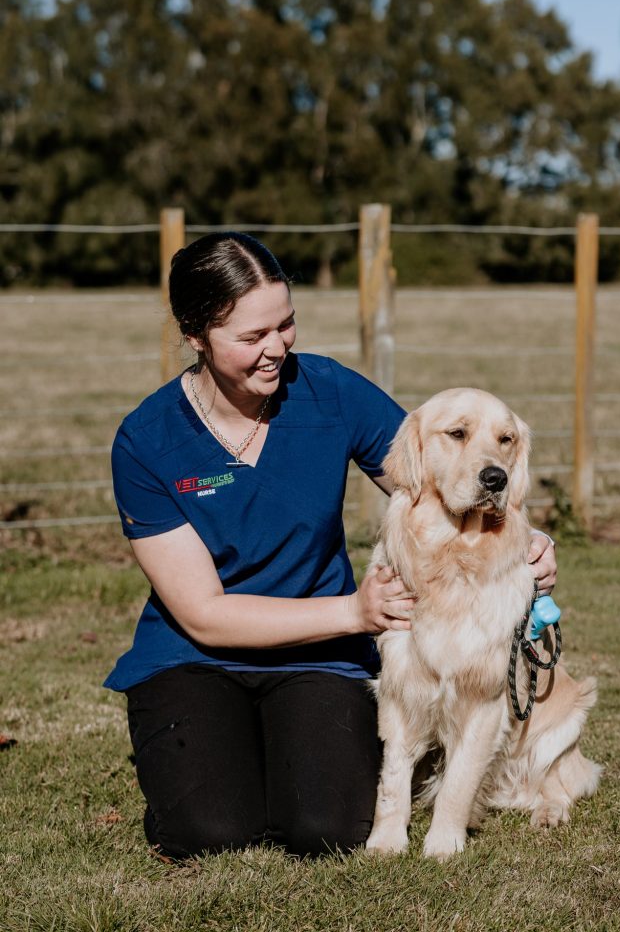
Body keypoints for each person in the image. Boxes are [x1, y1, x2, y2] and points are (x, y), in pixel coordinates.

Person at [105, 231, 557, 859]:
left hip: (318, 657)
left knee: (328, 828)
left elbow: (437, 469)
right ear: (195, 335)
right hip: (195, 657)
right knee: (208, 831)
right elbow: (204, 613)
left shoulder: (328, 391)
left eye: (285, 325)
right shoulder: (145, 441)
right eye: (251, 337)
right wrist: (353, 612)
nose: (275, 350)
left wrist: (528, 539)